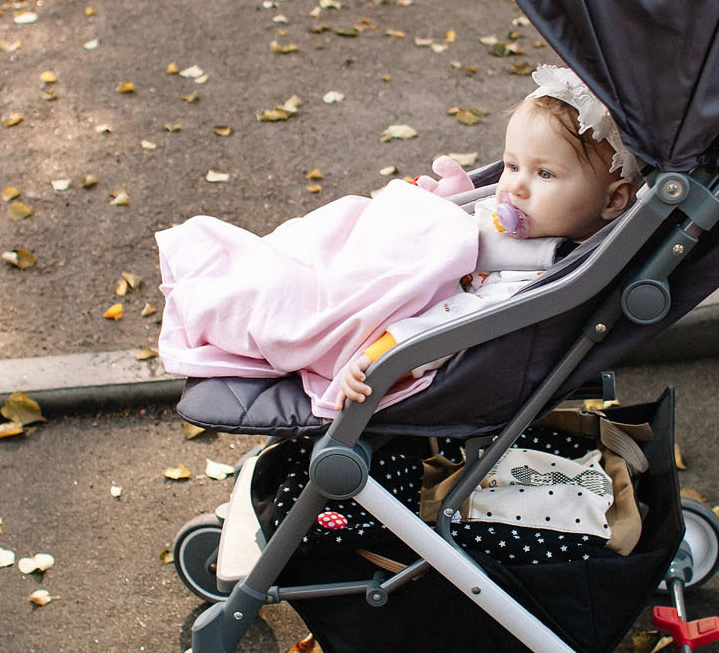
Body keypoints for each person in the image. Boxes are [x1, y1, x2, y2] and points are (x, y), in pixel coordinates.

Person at [155, 67, 635, 417]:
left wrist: (378, 356)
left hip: (387, 314)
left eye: (545, 173)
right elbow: (461, 224)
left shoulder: (536, 273)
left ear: (613, 201)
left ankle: (228, 295)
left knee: (281, 298)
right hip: (374, 263)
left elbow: (450, 323)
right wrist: (442, 206)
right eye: (512, 166)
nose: (515, 187)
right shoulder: (525, 217)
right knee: (327, 231)